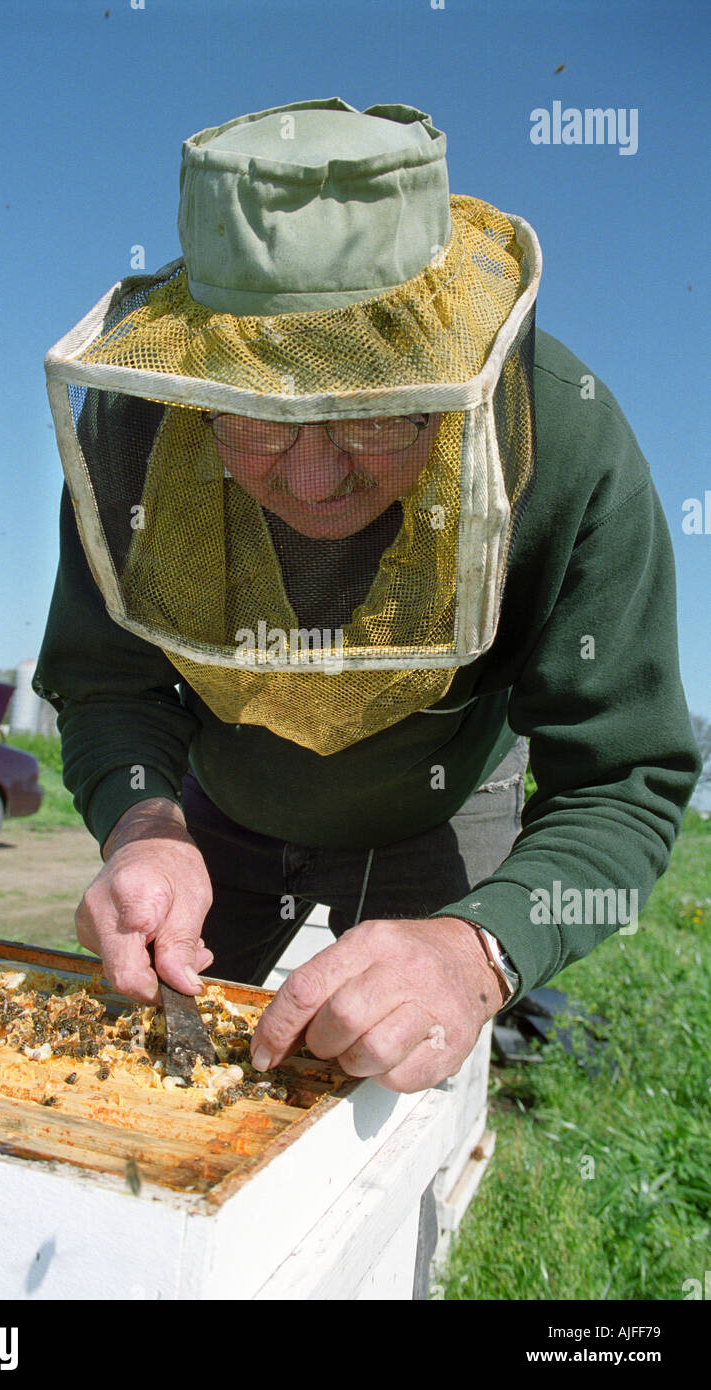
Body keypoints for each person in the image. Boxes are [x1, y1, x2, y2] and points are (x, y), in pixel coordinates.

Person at [34, 98, 700, 1093]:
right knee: (154, 1073)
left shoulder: (565, 442)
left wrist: (478, 951)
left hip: (444, 806)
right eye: (257, 420)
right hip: (220, 811)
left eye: (376, 415)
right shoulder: (136, 433)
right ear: (195, 385)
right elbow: (108, 683)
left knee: (403, 1102)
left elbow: (620, 775)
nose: (314, 480)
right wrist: (144, 826)